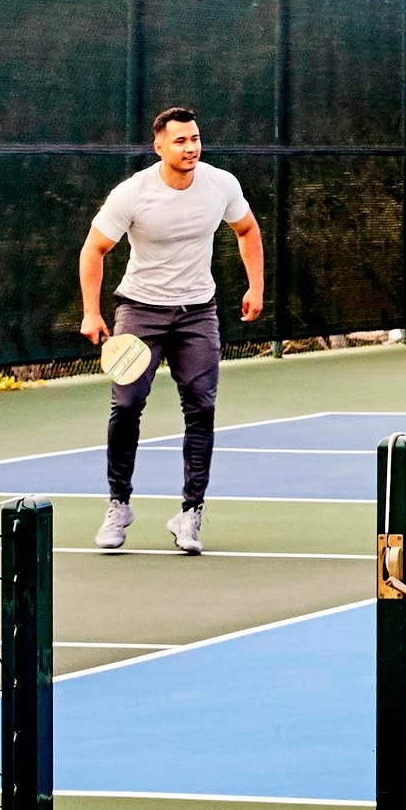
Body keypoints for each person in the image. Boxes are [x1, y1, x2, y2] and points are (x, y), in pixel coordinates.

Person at [79, 106, 263, 557]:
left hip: (198, 313)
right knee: (126, 404)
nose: (191, 147)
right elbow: (94, 249)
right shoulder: (133, 193)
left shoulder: (221, 184)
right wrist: (91, 313)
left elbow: (247, 229)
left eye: (195, 138)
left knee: (201, 409)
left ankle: (191, 513)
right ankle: (118, 504)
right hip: (139, 312)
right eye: (180, 141)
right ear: (159, 146)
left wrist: (256, 285)